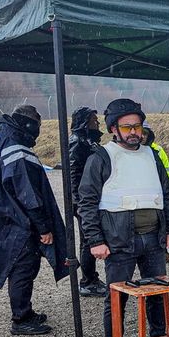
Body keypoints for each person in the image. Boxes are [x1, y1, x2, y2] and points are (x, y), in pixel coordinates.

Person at [76, 99, 169, 337]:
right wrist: (95, 240)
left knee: (157, 294)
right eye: (128, 127)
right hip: (118, 243)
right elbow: (86, 202)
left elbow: (168, 194)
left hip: (153, 240)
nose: (135, 131)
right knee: (116, 301)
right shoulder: (101, 157)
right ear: (114, 128)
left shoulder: (151, 155)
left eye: (138, 126)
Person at [0, 105, 68, 335]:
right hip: (17, 221)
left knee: (16, 266)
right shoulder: (17, 148)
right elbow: (28, 194)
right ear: (30, 125)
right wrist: (43, 227)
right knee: (23, 268)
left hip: (0, 215)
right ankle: (21, 319)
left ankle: (25, 311)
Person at [69, 107, 107, 297]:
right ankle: (88, 280)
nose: (97, 123)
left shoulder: (87, 141)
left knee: (88, 238)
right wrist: (79, 202)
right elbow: (74, 174)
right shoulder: (78, 143)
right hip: (85, 201)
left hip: (91, 198)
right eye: (94, 120)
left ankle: (90, 278)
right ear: (84, 121)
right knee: (88, 240)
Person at [142, 120, 169, 263]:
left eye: (146, 133)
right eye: (142, 133)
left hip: (158, 193)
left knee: (160, 224)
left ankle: (163, 252)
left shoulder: (157, 151)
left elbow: (166, 170)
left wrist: (167, 189)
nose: (143, 136)